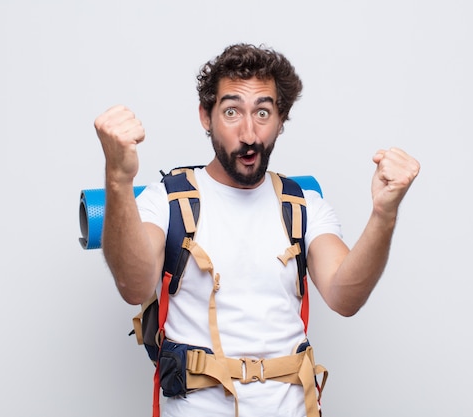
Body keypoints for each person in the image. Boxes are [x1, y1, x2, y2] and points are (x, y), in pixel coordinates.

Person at [94, 43, 420, 417]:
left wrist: (384, 213)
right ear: (206, 116)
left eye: (263, 112)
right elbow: (133, 286)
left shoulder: (303, 206)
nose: (249, 133)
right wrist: (118, 179)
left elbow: (345, 297)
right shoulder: (165, 201)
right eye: (231, 111)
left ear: (281, 119)